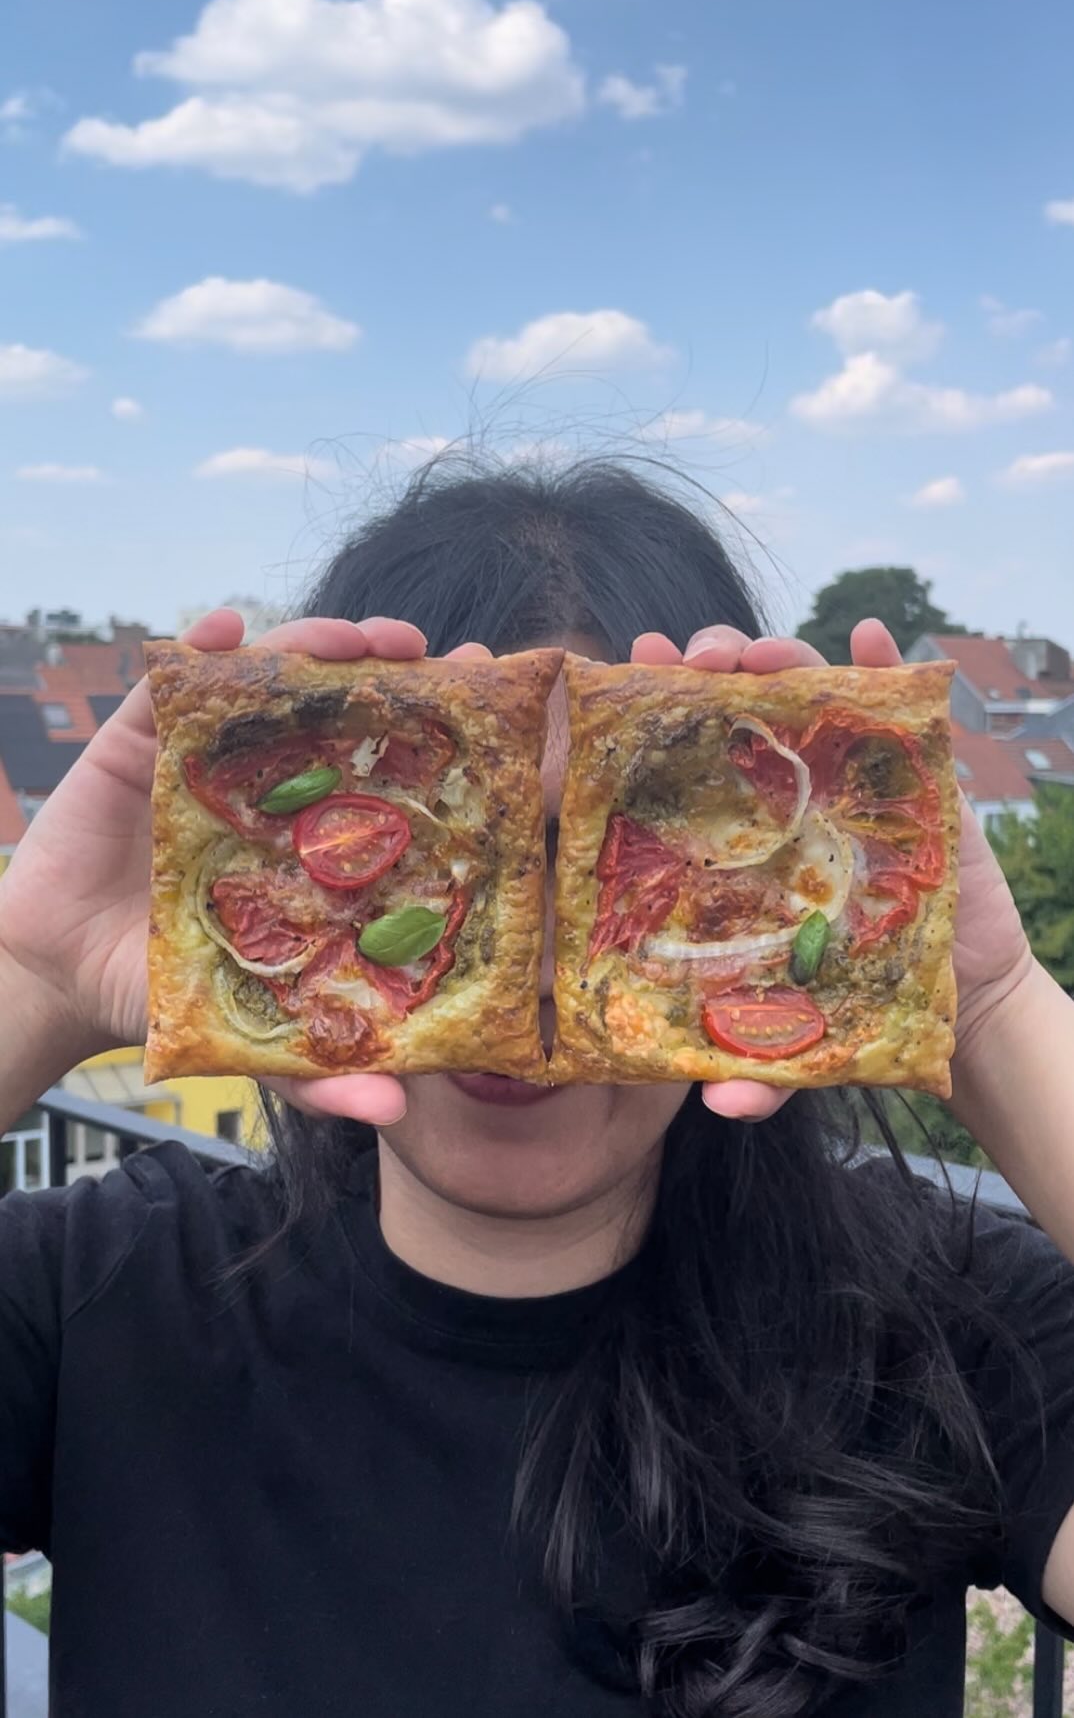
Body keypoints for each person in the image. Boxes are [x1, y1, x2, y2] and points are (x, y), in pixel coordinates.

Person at [1, 455, 1073, 1718]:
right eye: (447, 857)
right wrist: (31, 975)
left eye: (624, 864)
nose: (532, 991)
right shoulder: (93, 1301)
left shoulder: (946, 1323)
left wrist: (996, 1011)